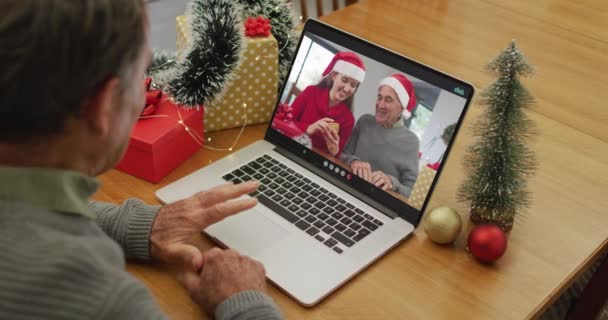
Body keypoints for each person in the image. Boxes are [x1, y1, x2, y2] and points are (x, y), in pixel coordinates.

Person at [0, 1, 282, 319]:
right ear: (103, 106)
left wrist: (138, 226)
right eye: (143, 74)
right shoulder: (105, 300)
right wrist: (245, 301)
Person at [340, 74, 420, 197]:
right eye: (379, 97)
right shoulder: (364, 121)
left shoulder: (412, 142)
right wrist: (353, 161)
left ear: (402, 108)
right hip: (345, 188)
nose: (380, 105)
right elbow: (342, 154)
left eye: (388, 100)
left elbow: (411, 193)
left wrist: (392, 182)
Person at [290, 51, 366, 156]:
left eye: (353, 85)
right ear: (334, 75)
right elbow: (285, 122)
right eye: (344, 80)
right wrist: (309, 128)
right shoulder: (310, 92)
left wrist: (334, 152)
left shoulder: (348, 119)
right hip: (291, 148)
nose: (347, 88)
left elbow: (336, 156)